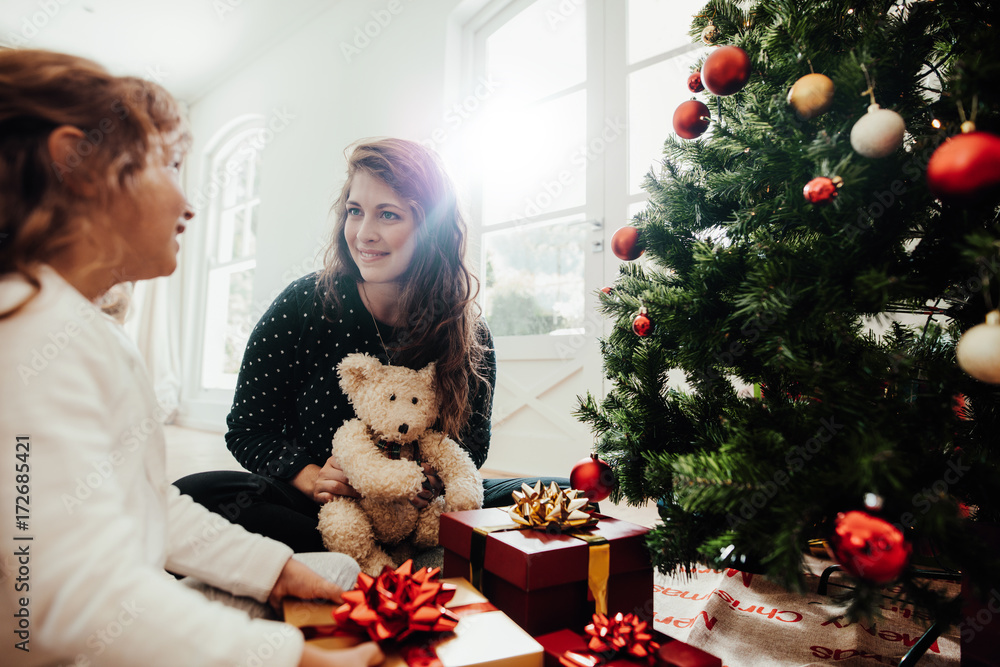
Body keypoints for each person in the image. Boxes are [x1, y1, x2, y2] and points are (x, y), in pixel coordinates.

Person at [0, 49, 382, 667]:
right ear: (80, 165)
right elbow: (70, 600)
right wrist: (296, 660)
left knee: (330, 569)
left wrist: (279, 572)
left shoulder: (79, 327)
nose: (190, 204)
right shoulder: (29, 334)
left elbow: (150, 508)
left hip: (113, 606)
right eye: (172, 166)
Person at [175, 138, 569, 553]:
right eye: (355, 212)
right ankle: (362, 551)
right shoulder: (304, 303)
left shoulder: (467, 328)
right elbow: (249, 427)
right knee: (193, 497)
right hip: (322, 509)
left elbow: (470, 442)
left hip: (420, 509)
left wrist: (430, 480)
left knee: (564, 496)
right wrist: (309, 477)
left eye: (388, 214)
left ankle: (382, 554)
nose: (364, 234)